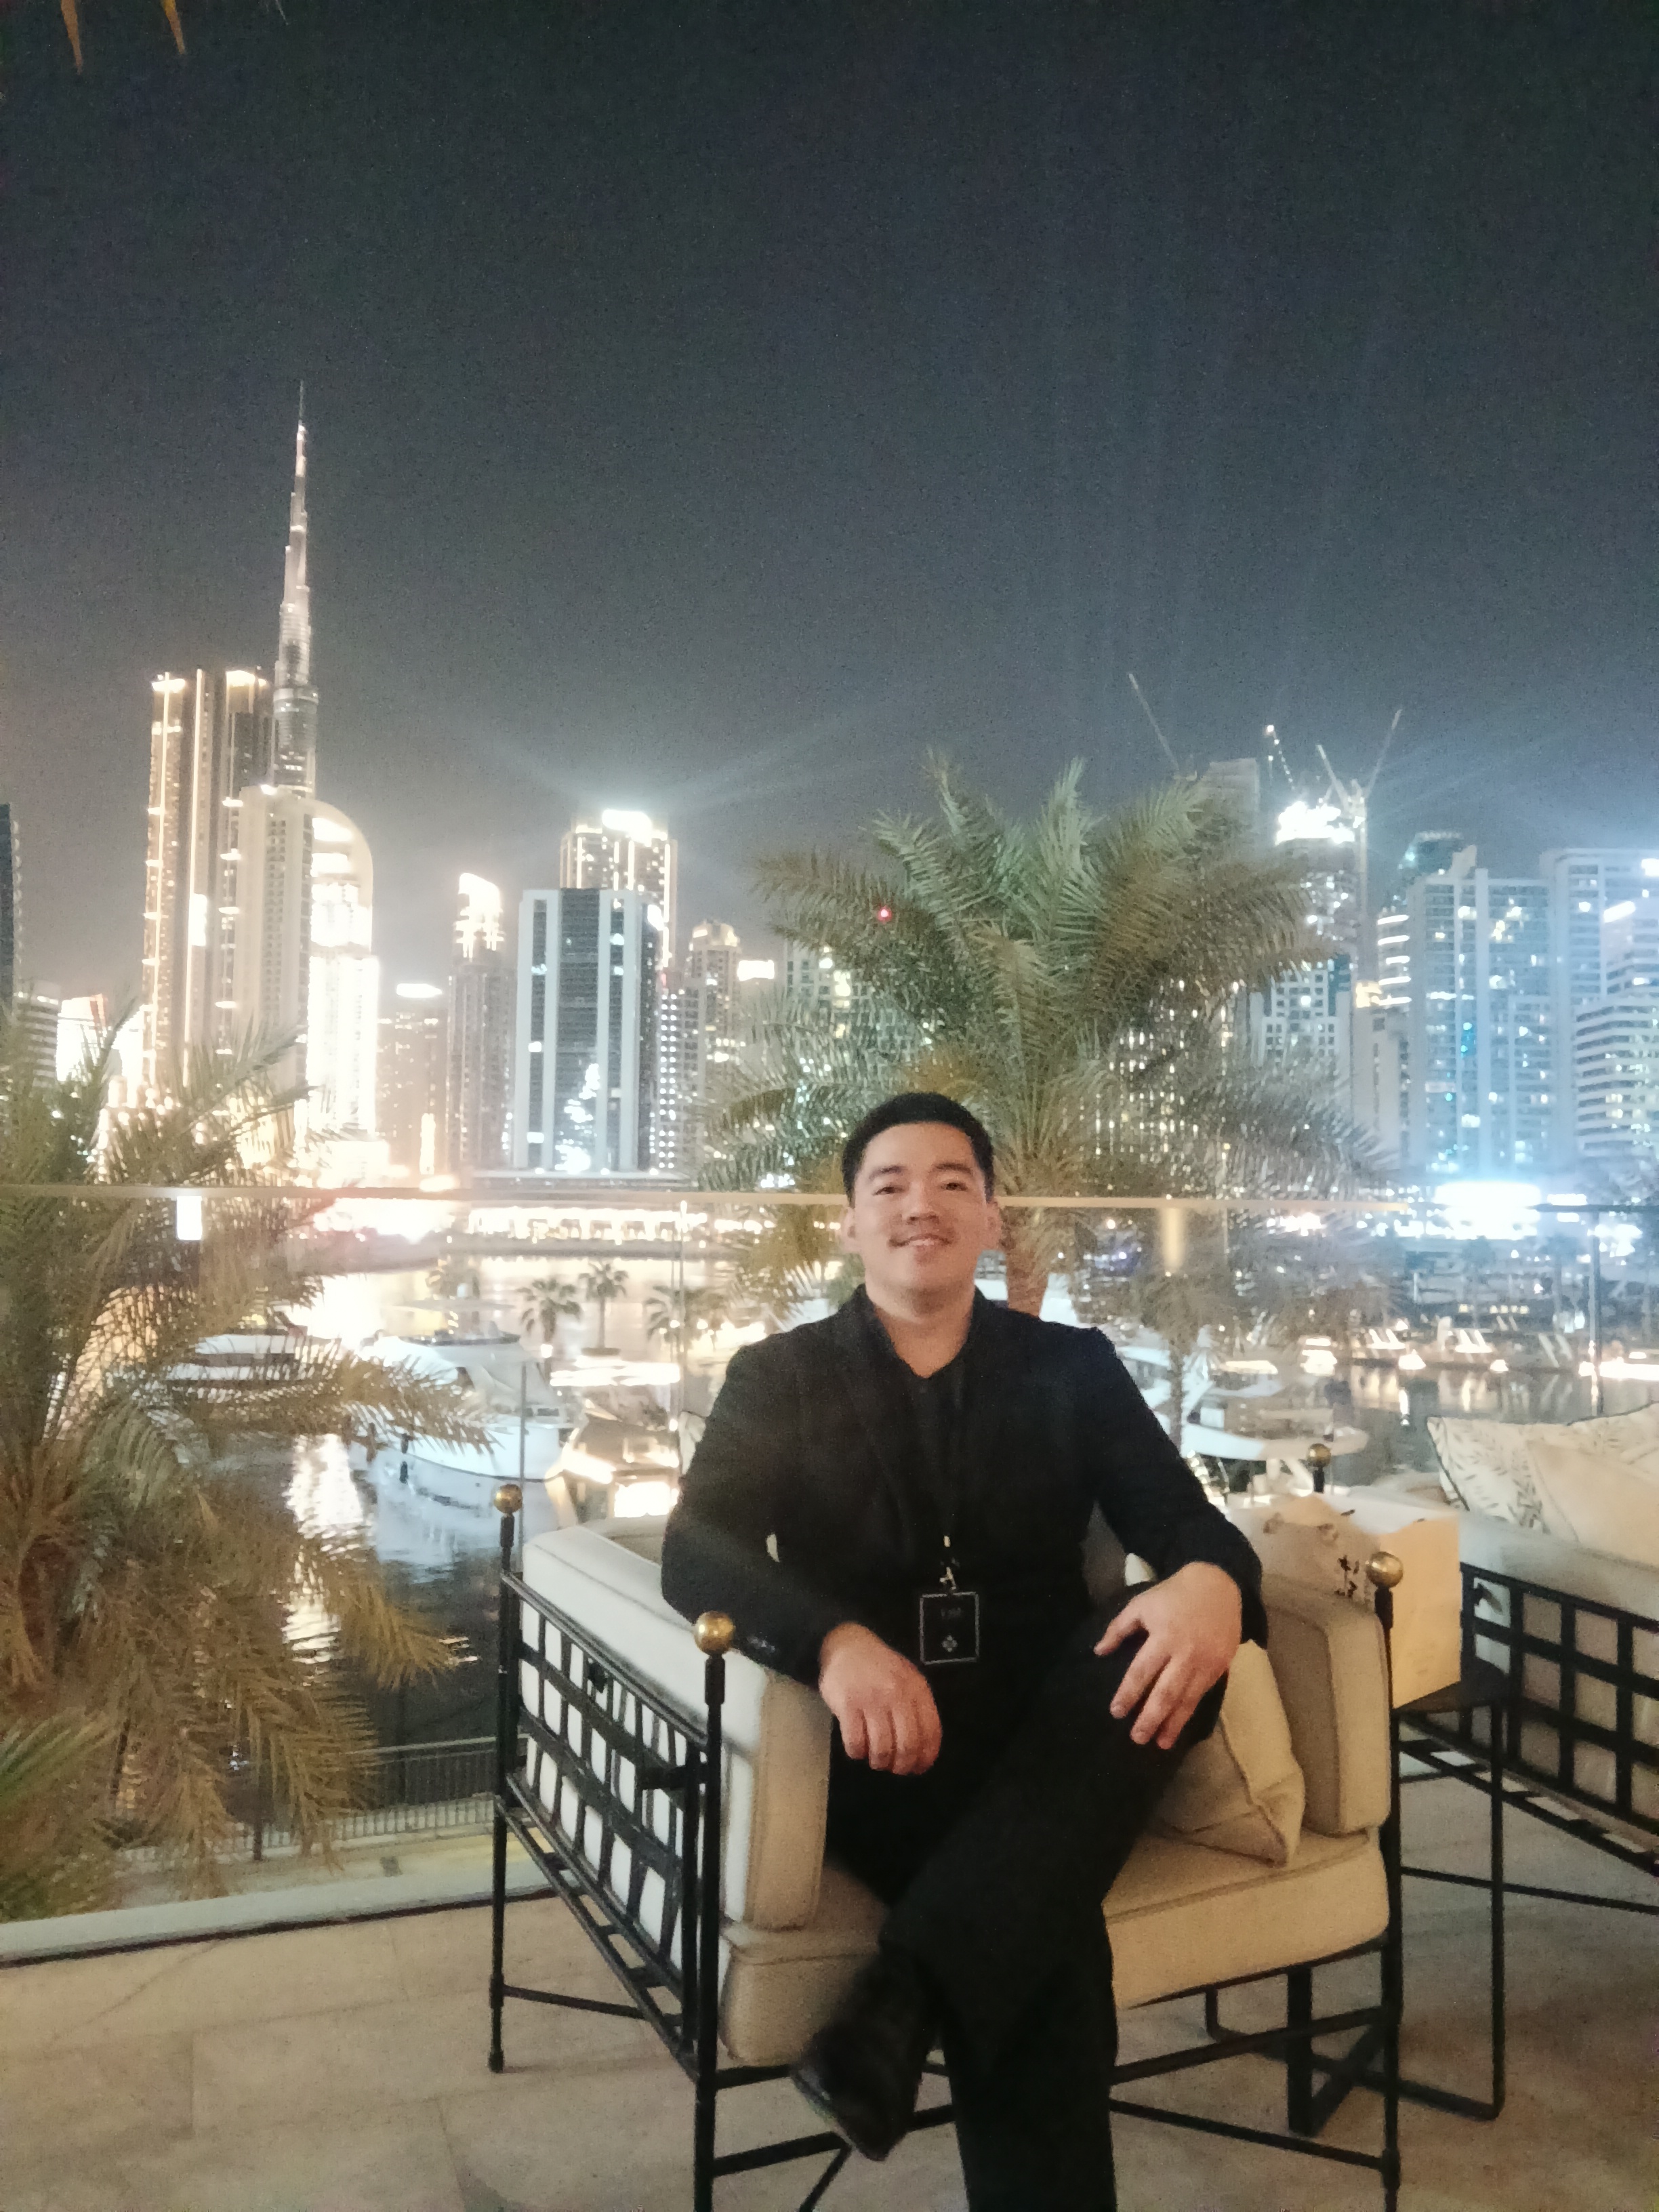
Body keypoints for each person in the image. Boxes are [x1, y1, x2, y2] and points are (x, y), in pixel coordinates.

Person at [660, 1093, 1265, 2211]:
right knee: (1049, 1957)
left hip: (1062, 1729)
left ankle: (897, 2003)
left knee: (1165, 1639)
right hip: (888, 1743)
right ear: (851, 1222)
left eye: (952, 1183)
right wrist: (835, 1645)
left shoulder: (1072, 1367)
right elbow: (697, 1550)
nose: (920, 1206)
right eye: (889, 1185)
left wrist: (1216, 1584)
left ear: (992, 1219)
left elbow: (1187, 1523)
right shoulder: (780, 1376)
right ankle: (906, 2005)